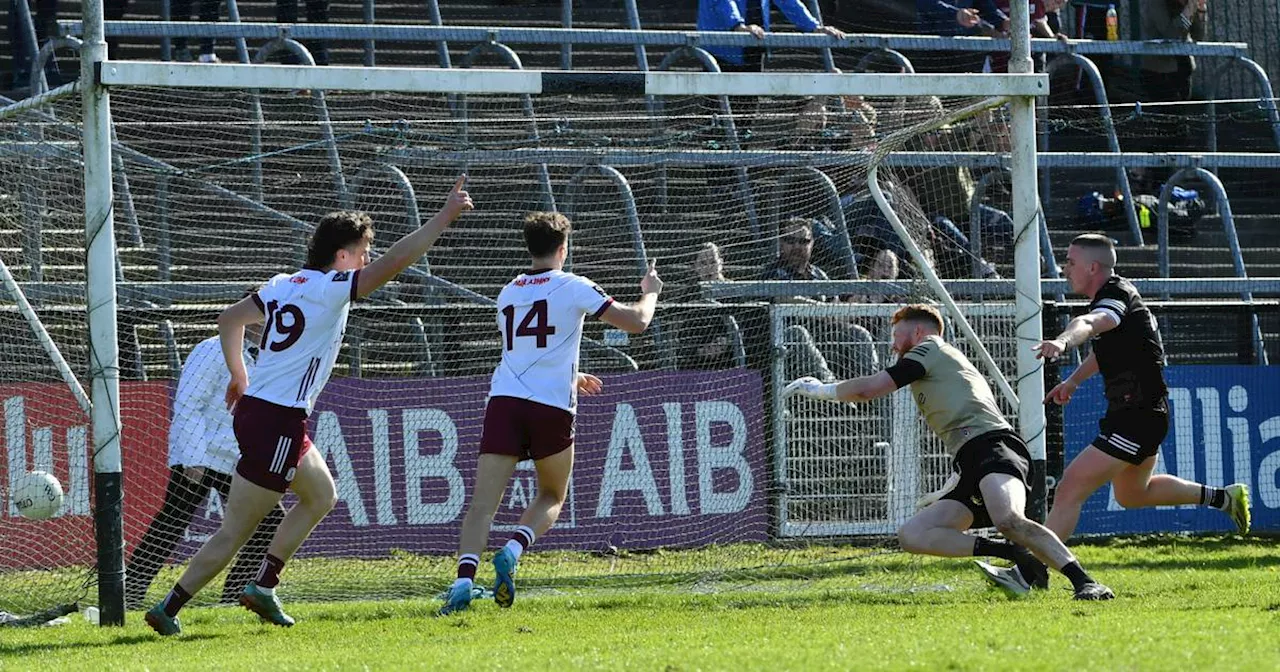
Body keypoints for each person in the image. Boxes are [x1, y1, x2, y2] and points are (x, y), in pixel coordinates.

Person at [145, 176, 473, 636]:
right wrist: (444, 217)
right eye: (364, 249)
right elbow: (398, 261)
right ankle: (170, 607)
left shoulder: (285, 282)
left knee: (321, 495)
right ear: (342, 255)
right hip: (276, 421)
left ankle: (263, 586)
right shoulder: (331, 287)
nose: (369, 258)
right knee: (235, 530)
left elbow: (230, 319)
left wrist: (241, 375)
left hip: (269, 415)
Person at [786, 304, 1115, 600]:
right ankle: (1015, 554)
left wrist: (820, 390)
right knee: (912, 535)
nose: (892, 345)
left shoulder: (930, 348)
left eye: (897, 336)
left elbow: (867, 390)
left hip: (993, 447)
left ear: (917, 332)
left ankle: (1085, 581)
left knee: (1009, 519)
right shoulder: (931, 361)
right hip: (969, 459)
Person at [438, 211, 663, 615]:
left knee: (482, 505)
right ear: (563, 249)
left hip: (504, 401)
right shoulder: (572, 285)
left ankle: (461, 585)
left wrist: (572, 375)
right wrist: (650, 290)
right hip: (550, 408)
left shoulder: (508, 291)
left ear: (530, 247)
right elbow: (637, 323)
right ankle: (512, 549)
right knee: (552, 494)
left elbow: (526, 352)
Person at [1036, 234, 1249, 542]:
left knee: (1070, 488)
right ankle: (1223, 498)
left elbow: (1089, 323)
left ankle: (1030, 572)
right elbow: (1106, 348)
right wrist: (1073, 381)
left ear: (1093, 267)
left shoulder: (1114, 297)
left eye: (1070, 262)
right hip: (1143, 414)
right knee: (1133, 495)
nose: (1065, 269)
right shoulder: (1120, 297)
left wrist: (1062, 341)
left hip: (1136, 416)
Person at [125, 313, 285, 609]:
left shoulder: (270, 358)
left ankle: (235, 597)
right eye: (264, 315)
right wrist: (193, 459)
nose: (269, 323)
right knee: (171, 522)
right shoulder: (212, 349)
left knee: (270, 521)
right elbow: (188, 403)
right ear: (248, 319)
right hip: (202, 455)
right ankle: (128, 595)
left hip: (237, 459)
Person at [696, 0, 845, 73]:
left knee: (747, 110)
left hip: (753, 45)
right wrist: (737, 26)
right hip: (721, 48)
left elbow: (788, 2)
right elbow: (722, 3)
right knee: (718, 111)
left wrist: (814, 28)